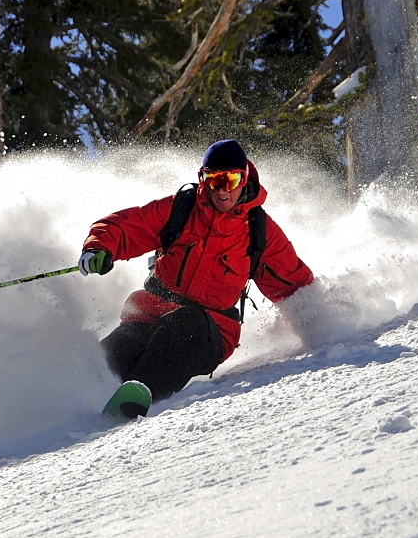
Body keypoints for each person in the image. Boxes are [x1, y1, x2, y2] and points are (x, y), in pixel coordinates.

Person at [79, 139, 314, 400]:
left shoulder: (259, 230)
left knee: (186, 322)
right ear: (203, 180)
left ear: (244, 179)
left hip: (210, 331)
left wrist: (321, 326)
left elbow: (293, 282)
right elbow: (124, 226)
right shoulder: (180, 210)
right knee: (112, 355)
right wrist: (99, 248)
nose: (222, 190)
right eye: (214, 180)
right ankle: (73, 404)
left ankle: (140, 396)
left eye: (231, 180)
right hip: (151, 314)